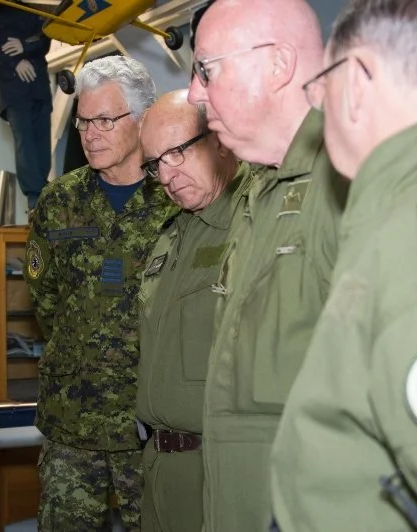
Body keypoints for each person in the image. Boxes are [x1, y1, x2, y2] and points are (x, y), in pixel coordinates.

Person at [186, 0, 349, 530]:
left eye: (206, 70)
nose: (194, 94)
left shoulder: (348, 181)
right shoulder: (259, 193)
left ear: (278, 64)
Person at [270, 1, 417, 530]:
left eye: (320, 87)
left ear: (354, 82)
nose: (319, 111)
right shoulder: (387, 215)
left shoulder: (404, 239)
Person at [24, 55, 170, 532]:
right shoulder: (59, 201)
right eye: (84, 122)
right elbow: (45, 299)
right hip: (73, 419)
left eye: (105, 120)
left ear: (142, 118)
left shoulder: (174, 198)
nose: (91, 134)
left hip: (150, 423)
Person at [135, 89, 248, 532]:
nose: (166, 175)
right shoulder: (171, 235)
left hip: (219, 469)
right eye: (155, 163)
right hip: (160, 468)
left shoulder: (253, 221)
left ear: (218, 139)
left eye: (177, 152)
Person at [0, 2, 52, 209]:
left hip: (39, 84)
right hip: (14, 87)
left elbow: (45, 37)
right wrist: (15, 60)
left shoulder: (32, 7)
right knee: (25, 140)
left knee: (42, 139)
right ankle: (35, 195)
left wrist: (24, 46)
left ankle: (42, 191)